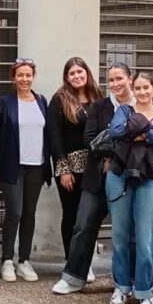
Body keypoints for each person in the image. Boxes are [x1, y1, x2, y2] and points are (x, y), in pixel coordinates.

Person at [52, 62, 135, 295]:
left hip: (128, 177)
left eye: (120, 78)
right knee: (83, 224)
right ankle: (72, 278)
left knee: (126, 230)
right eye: (112, 80)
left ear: (130, 79)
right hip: (96, 176)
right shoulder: (100, 106)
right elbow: (91, 140)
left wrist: (115, 153)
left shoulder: (141, 105)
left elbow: (144, 141)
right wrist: (120, 144)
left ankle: (128, 280)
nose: (116, 83)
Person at [106, 71, 153, 304]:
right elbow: (115, 133)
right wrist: (150, 132)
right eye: (138, 88)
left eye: (147, 87)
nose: (142, 92)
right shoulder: (124, 111)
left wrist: (137, 132)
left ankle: (145, 292)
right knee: (120, 236)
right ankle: (121, 287)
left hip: (150, 178)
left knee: (146, 238)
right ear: (133, 90)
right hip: (119, 176)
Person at [0, 59, 51, 282]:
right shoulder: (5, 102)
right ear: (13, 78)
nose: (25, 79)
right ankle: (7, 259)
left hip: (37, 165)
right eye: (20, 75)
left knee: (29, 213)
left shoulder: (42, 101)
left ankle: (24, 260)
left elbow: (48, 134)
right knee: (14, 212)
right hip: (11, 165)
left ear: (32, 77)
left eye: (28, 75)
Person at [46, 57, 102, 269]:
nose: (77, 76)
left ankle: (85, 262)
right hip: (70, 168)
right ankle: (72, 263)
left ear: (87, 73)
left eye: (80, 72)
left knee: (89, 217)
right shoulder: (60, 99)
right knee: (71, 215)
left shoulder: (98, 97)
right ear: (66, 77)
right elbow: (54, 137)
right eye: (72, 73)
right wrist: (63, 169)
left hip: (94, 168)